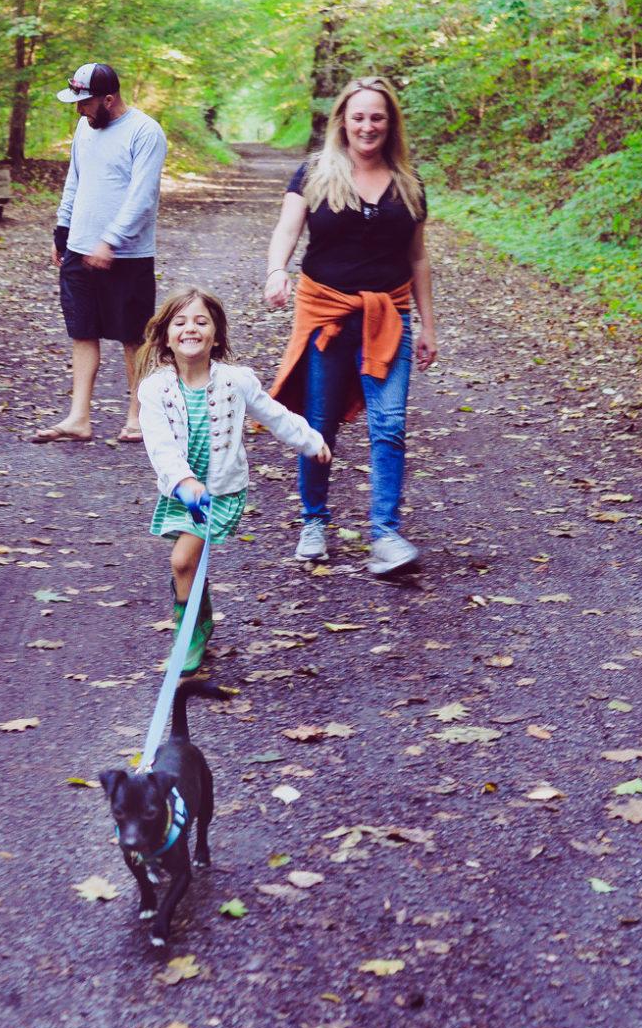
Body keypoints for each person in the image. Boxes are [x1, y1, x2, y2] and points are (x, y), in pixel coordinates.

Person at [262, 76, 439, 576]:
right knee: (318, 426)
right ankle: (313, 522)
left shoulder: (409, 183)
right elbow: (286, 230)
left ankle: (385, 535)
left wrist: (429, 326)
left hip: (389, 316)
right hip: (326, 316)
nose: (368, 126)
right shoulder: (314, 173)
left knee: (390, 425)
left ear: (391, 123)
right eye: (358, 116)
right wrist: (277, 271)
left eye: (377, 117)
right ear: (343, 119)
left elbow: (419, 259)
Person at [137, 288, 330, 672]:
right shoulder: (154, 389)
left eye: (201, 321)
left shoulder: (235, 380)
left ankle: (189, 632)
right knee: (186, 564)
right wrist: (184, 483)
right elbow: (160, 447)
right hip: (181, 491)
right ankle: (197, 621)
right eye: (180, 322)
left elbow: (274, 414)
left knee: (181, 560)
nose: (190, 328)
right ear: (166, 337)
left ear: (217, 335)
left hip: (222, 491)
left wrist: (310, 441)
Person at [32, 62, 167, 445]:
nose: (79, 110)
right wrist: (63, 229)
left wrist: (111, 240)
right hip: (79, 249)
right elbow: (75, 178)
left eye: (86, 103)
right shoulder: (84, 127)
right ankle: (79, 418)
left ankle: (136, 417)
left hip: (128, 256)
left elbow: (142, 198)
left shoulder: (145, 132)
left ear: (109, 99)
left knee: (132, 337)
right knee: (82, 331)